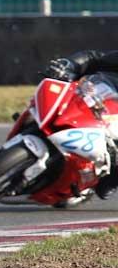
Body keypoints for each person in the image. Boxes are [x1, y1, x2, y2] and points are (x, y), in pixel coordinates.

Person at [43, 50, 118, 198]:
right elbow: (94, 58)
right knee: (51, 90)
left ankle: (111, 179)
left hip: (111, 123)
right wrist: (69, 65)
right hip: (92, 99)